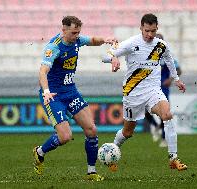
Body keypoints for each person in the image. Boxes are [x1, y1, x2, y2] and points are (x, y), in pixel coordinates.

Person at [33, 15, 116, 181]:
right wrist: (46, 91)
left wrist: (105, 39)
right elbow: (42, 71)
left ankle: (91, 172)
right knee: (65, 136)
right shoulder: (54, 47)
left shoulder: (77, 39)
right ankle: (39, 152)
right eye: (73, 33)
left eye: (78, 32)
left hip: (71, 92)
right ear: (63, 30)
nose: (76, 36)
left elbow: (92, 40)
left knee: (91, 129)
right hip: (54, 95)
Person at [102, 13, 187, 171]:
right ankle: (112, 150)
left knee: (167, 115)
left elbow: (169, 59)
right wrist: (113, 59)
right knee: (128, 132)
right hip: (133, 94)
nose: (149, 34)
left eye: (153, 31)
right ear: (141, 27)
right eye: (146, 30)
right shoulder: (131, 43)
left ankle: (173, 158)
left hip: (153, 91)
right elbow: (105, 55)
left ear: (157, 29)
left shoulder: (161, 45)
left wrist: (176, 79)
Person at [146, 33, 182, 148]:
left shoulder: (167, 55)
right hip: (149, 88)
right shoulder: (146, 55)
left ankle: (163, 138)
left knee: (164, 113)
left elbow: (179, 70)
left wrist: (170, 79)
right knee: (144, 110)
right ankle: (155, 126)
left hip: (163, 88)